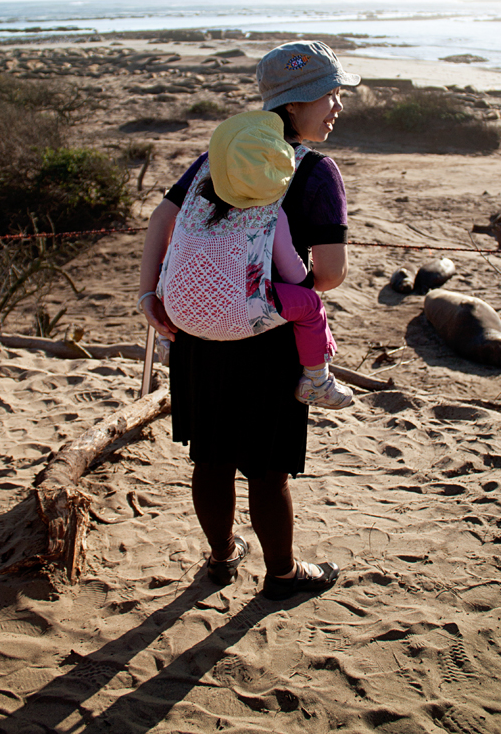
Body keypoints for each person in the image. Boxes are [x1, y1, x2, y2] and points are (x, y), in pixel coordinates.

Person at [138, 40, 360, 600]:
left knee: (210, 457)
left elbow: (162, 220)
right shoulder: (316, 171)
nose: (337, 108)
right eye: (329, 96)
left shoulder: (223, 152)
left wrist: (149, 293)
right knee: (267, 469)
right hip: (267, 340)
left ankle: (220, 557)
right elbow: (329, 273)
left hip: (198, 330)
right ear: (295, 106)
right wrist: (274, 292)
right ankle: (283, 575)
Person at [156, 108, 354, 409]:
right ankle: (316, 381)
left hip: (178, 312)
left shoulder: (198, 203)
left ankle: (163, 344)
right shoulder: (272, 213)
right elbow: (294, 274)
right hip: (239, 313)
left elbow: (169, 237)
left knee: (171, 270)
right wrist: (304, 286)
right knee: (310, 306)